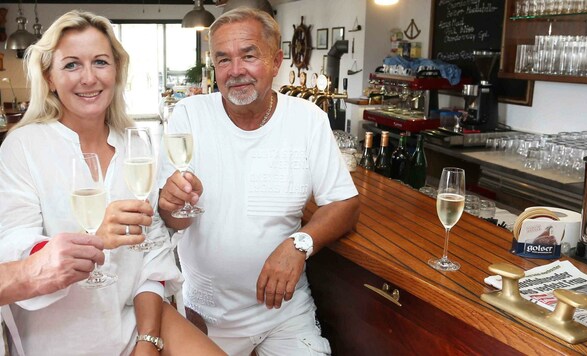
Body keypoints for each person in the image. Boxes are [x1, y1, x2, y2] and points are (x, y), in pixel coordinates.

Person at [0, 10, 225, 356]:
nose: (88, 78)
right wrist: (93, 241)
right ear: (49, 76)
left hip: (135, 321)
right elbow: (15, 246)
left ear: (117, 70)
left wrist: (147, 342)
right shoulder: (24, 146)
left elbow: (153, 251)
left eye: (101, 62)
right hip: (57, 337)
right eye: (72, 65)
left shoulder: (136, 146)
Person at [158, 7, 360, 356]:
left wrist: (299, 244)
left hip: (284, 311)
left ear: (276, 60)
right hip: (205, 313)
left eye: (248, 56)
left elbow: (345, 203)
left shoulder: (307, 119)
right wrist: (172, 202)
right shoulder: (189, 115)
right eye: (223, 59)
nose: (236, 71)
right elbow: (172, 221)